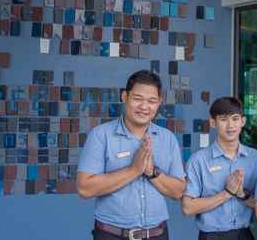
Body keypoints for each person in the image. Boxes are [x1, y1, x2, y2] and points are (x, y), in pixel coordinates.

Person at [76, 70, 187, 240]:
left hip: (157, 234)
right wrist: (133, 170)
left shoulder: (168, 138)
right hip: (111, 235)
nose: (144, 107)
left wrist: (152, 173)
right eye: (137, 99)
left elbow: (178, 192)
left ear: (159, 103)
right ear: (124, 97)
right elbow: (84, 188)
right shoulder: (100, 135)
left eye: (151, 101)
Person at [182, 97, 257, 240]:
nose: (230, 125)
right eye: (223, 119)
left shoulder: (256, 159)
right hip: (211, 235)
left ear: (243, 121)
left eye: (235, 119)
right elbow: (187, 208)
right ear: (213, 123)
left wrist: (242, 194)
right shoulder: (198, 160)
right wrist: (227, 193)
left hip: (244, 234)